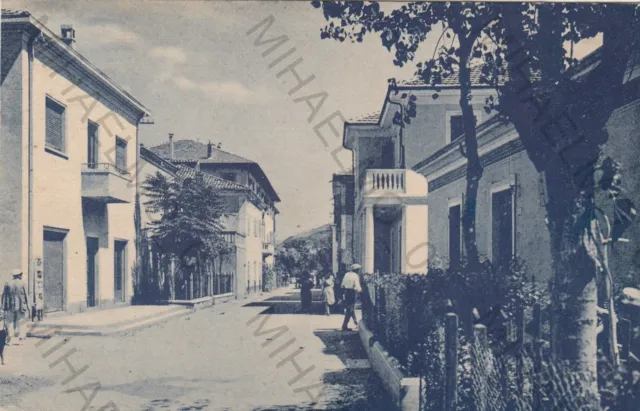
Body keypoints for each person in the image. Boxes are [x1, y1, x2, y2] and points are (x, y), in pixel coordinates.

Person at [1, 269, 29, 345]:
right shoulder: (23, 283)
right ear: (19, 275)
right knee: (21, 322)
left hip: (10, 306)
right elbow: (26, 295)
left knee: (9, 322)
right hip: (21, 306)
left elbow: (4, 295)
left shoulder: (8, 283)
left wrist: (3, 307)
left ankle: (10, 339)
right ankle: (21, 339)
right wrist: (28, 307)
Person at [341, 264, 362, 331]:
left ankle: (356, 323)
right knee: (350, 309)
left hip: (346, 292)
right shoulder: (355, 276)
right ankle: (344, 326)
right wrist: (360, 291)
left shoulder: (346, 274)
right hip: (352, 292)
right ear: (357, 270)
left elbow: (342, 285)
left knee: (350, 308)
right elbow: (357, 287)